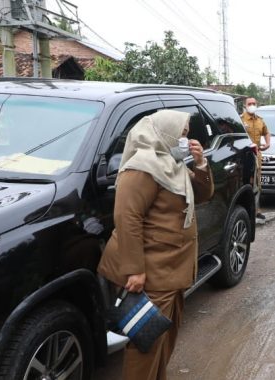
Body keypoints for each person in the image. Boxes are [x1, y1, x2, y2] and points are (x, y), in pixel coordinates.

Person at [97, 109, 214, 380]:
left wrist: (201, 164)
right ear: (164, 133)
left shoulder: (171, 164)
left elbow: (203, 195)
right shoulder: (143, 166)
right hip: (150, 271)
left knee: (164, 335)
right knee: (145, 342)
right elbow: (127, 218)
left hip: (173, 269)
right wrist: (134, 270)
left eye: (186, 135)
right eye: (182, 134)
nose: (185, 139)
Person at [240, 97, 271, 224]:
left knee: (258, 183)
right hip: (243, 155)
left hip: (257, 155)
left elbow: (266, 132)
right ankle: (245, 209)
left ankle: (256, 210)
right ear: (245, 105)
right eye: (249, 104)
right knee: (245, 181)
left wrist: (268, 143)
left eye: (254, 103)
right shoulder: (240, 119)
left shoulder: (260, 120)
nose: (252, 105)